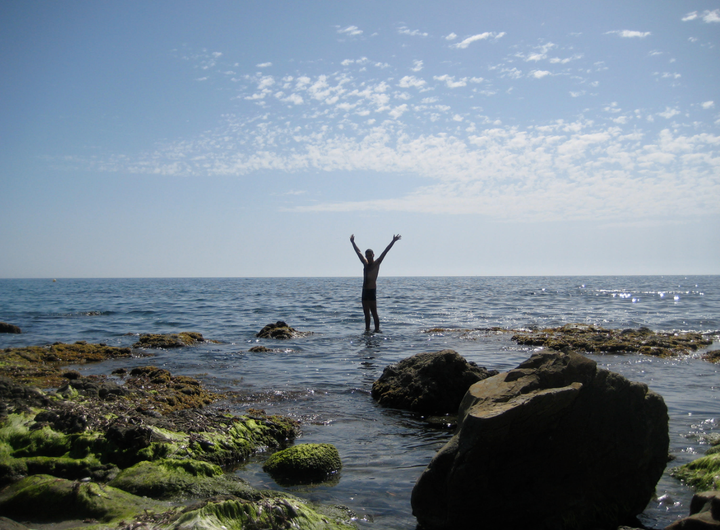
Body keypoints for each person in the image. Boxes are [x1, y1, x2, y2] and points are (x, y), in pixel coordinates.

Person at [350, 234, 401, 333]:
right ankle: (367, 330)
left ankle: (377, 330)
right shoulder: (365, 263)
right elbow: (358, 252)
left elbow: (385, 251)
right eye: (367, 255)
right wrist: (353, 242)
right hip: (364, 291)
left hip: (372, 291)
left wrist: (393, 241)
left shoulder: (376, 263)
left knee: (374, 312)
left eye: (370, 255)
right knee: (366, 314)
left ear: (373, 255)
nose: (368, 257)